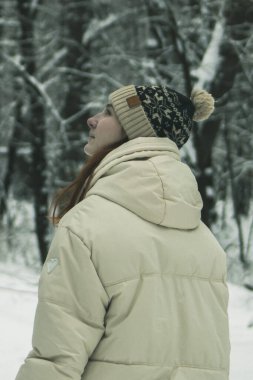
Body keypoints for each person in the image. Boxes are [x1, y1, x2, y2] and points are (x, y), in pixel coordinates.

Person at [15, 84, 231, 380]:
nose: (93, 119)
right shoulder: (206, 242)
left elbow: (58, 358)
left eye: (109, 112)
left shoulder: (87, 225)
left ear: (136, 130)